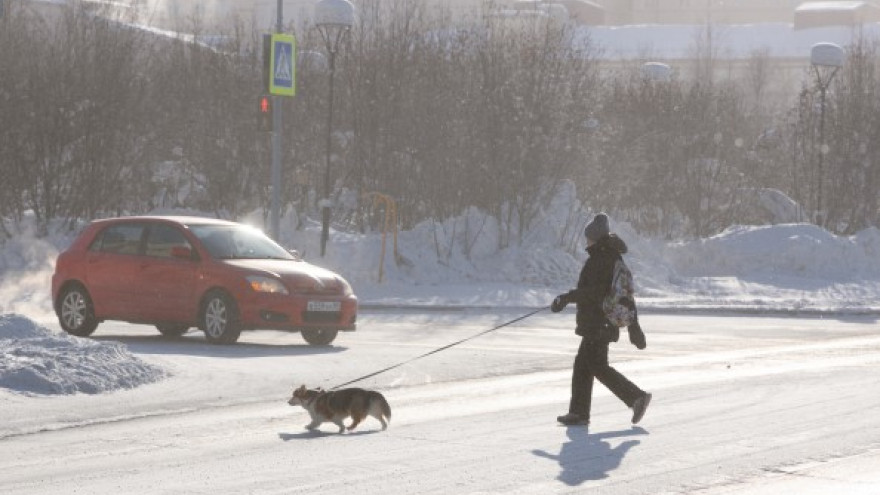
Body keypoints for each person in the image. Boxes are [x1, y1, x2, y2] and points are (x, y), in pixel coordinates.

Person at [551, 213, 651, 426]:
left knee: (597, 366)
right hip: (599, 322)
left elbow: (594, 292)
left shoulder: (602, 259)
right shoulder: (609, 256)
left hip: (599, 322)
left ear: (595, 238)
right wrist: (634, 325)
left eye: (588, 237)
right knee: (583, 365)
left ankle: (636, 397)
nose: (586, 241)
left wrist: (567, 297)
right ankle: (579, 413)